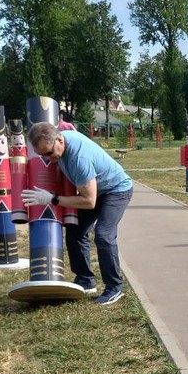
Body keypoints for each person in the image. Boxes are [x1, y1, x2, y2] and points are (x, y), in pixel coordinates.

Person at [22, 123, 134, 305]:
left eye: (49, 153)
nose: (47, 159)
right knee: (75, 230)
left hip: (116, 190)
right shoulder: (59, 140)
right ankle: (85, 280)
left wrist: (53, 199)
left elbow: (89, 201)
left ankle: (114, 287)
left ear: (59, 140)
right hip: (97, 190)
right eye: (41, 155)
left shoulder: (78, 158)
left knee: (104, 235)